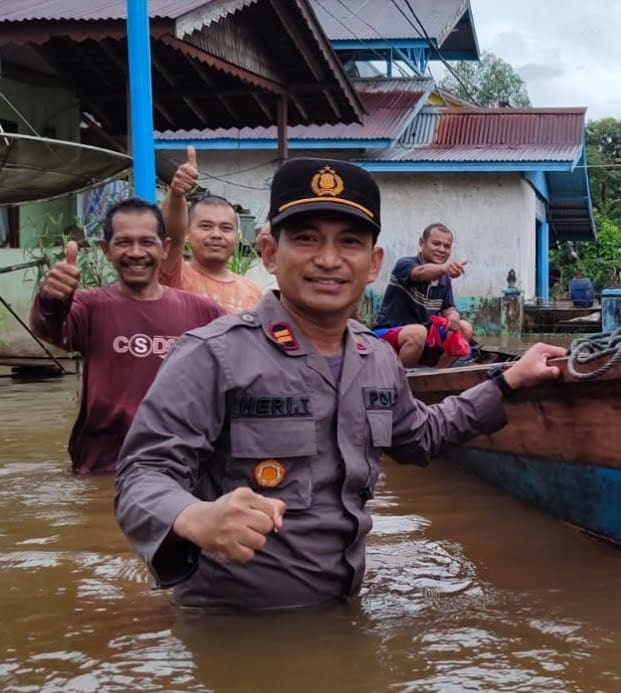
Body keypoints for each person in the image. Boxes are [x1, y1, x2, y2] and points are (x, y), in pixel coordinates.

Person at [113, 157, 566, 611]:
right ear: (269, 252)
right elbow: (142, 473)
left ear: (373, 263)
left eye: (349, 242)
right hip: (232, 625)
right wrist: (194, 515)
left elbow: (422, 435)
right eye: (306, 239)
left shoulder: (377, 359)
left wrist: (507, 381)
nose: (328, 260)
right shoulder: (212, 354)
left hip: (343, 614)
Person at [29, 198, 223, 475]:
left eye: (147, 242)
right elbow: (48, 328)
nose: (136, 252)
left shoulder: (204, 312)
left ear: (165, 248)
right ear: (106, 250)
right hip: (104, 468)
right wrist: (52, 300)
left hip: (180, 468)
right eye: (123, 242)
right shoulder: (88, 306)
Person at [159, 146, 264, 313]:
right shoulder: (175, 273)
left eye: (226, 228)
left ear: (237, 236)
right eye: (205, 226)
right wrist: (176, 194)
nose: (216, 235)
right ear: (187, 233)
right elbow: (172, 236)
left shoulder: (252, 292)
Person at [372, 222, 474, 369]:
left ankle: (436, 376)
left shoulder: (444, 278)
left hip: (423, 337)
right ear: (422, 243)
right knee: (418, 332)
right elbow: (420, 273)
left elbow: (448, 307)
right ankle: (400, 379)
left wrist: (453, 315)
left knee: (465, 328)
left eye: (447, 246)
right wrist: (444, 269)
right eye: (436, 244)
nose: (442, 250)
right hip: (387, 335)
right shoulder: (405, 264)